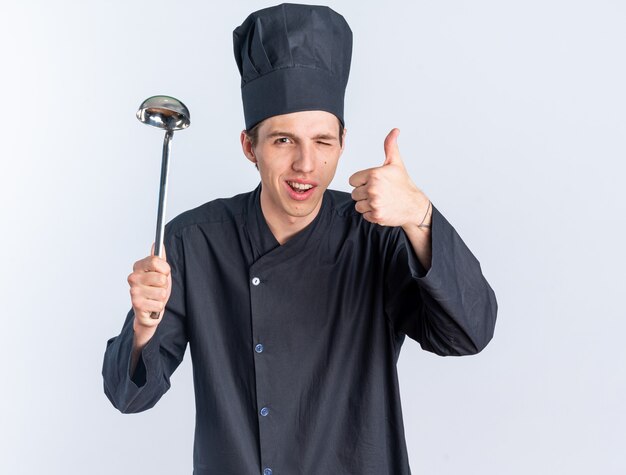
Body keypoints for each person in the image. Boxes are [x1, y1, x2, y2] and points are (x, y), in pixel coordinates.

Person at [102, 4, 497, 475]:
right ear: (250, 146)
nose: (306, 165)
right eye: (284, 141)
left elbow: (469, 333)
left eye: (323, 141)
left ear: (343, 142)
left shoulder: (379, 234)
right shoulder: (193, 241)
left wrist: (420, 216)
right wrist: (144, 329)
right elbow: (129, 396)